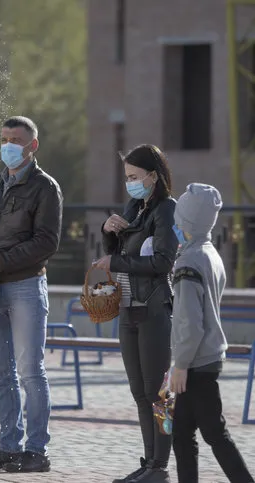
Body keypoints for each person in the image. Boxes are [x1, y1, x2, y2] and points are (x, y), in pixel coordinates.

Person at [0, 116, 62, 473]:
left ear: (32, 146)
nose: (8, 145)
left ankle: (37, 451)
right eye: (4, 138)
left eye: (16, 139)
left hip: (25, 288)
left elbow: (46, 242)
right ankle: (8, 446)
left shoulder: (46, 188)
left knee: (30, 372)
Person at [94, 144, 178, 483]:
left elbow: (161, 263)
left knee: (159, 396)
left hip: (155, 311)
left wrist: (115, 261)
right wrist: (108, 232)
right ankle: (149, 463)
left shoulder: (166, 210)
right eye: (126, 177)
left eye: (134, 177)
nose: (129, 183)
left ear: (153, 176)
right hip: (127, 310)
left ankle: (161, 466)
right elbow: (117, 252)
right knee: (140, 394)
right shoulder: (134, 208)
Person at [170, 183, 254, 483]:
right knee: (181, 434)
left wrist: (180, 365)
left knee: (214, 434)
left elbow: (189, 323)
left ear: (187, 224)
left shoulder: (187, 263)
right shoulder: (210, 253)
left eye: (178, 220)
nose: (174, 226)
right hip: (207, 357)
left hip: (196, 361)